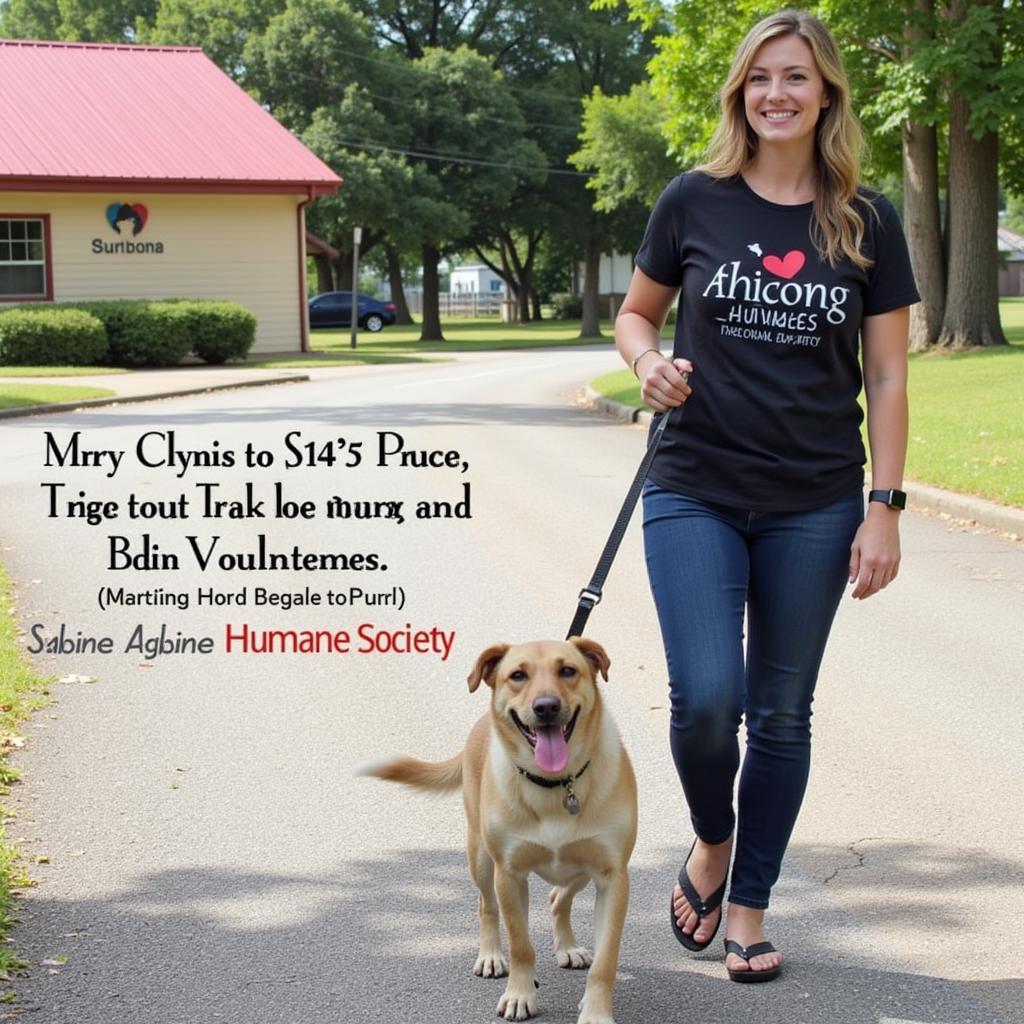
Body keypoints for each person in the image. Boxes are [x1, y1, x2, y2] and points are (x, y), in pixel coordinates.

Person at [614, 9, 919, 983]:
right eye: (759, 78)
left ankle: (747, 903)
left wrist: (884, 504)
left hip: (816, 501)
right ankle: (711, 837)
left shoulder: (865, 217)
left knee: (780, 715)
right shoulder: (692, 200)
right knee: (707, 701)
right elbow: (634, 313)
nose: (775, 94)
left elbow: (888, 377)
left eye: (794, 77)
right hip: (694, 485)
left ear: (825, 92)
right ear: (739, 93)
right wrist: (646, 360)